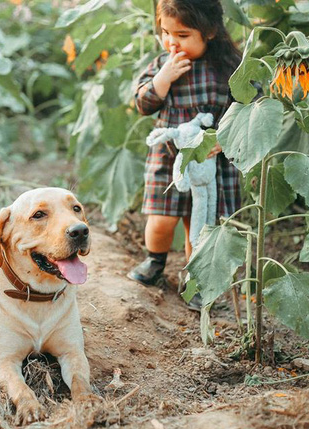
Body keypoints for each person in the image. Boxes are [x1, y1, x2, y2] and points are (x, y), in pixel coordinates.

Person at [127, 0, 242, 310]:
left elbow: (247, 108)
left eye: (182, 34)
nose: (171, 42)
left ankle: (197, 280)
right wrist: (163, 78)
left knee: (200, 225)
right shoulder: (163, 63)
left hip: (210, 162)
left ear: (211, 31)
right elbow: (142, 103)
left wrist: (225, 137)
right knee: (161, 220)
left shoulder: (231, 67)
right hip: (169, 159)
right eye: (166, 32)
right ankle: (155, 261)